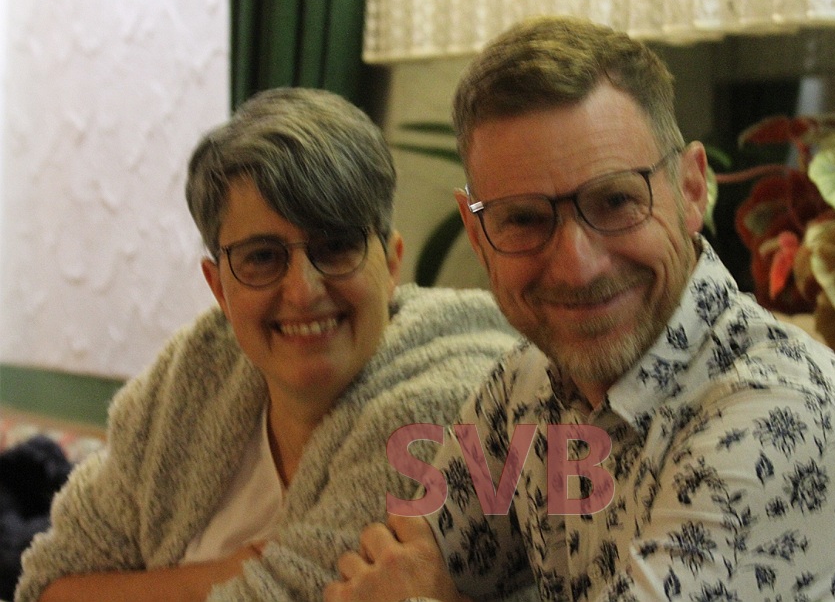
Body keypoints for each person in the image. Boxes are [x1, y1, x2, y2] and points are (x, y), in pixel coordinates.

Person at [325, 17, 835, 601]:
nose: (577, 266)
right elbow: (393, 573)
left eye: (615, 201)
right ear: (477, 229)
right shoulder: (524, 386)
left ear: (691, 189)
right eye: (524, 219)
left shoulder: (779, 413)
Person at [15, 88, 517, 602]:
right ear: (219, 288)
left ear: (390, 263)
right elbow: (51, 583)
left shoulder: (453, 407)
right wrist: (242, 567)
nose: (302, 291)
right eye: (262, 257)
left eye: (335, 246)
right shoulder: (187, 382)